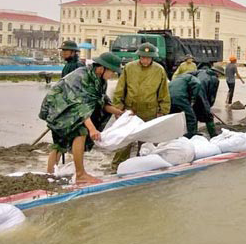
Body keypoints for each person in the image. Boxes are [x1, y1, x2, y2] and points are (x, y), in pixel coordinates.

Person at [40, 52, 124, 183]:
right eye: (112, 71)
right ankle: (80, 174)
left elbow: (101, 102)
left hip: (71, 109)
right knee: (80, 132)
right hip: (58, 108)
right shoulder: (81, 76)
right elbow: (79, 107)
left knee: (61, 142)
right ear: (102, 68)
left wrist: (119, 112)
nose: (113, 75)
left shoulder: (100, 81)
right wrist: (92, 129)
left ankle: (50, 175)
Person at [111, 43, 171, 169]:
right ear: (139, 56)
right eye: (143, 57)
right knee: (125, 142)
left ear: (153, 58)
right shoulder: (129, 68)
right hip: (130, 111)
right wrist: (118, 109)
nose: (145, 60)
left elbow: (164, 94)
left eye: (148, 58)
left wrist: (162, 112)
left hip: (150, 112)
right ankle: (117, 167)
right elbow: (120, 90)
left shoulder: (159, 70)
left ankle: (143, 167)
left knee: (146, 144)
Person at [169, 71, 218, 139]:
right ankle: (192, 137)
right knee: (191, 117)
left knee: (173, 116)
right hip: (181, 97)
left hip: (169, 97)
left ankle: (172, 136)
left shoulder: (179, 78)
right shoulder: (194, 78)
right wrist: (193, 99)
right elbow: (199, 85)